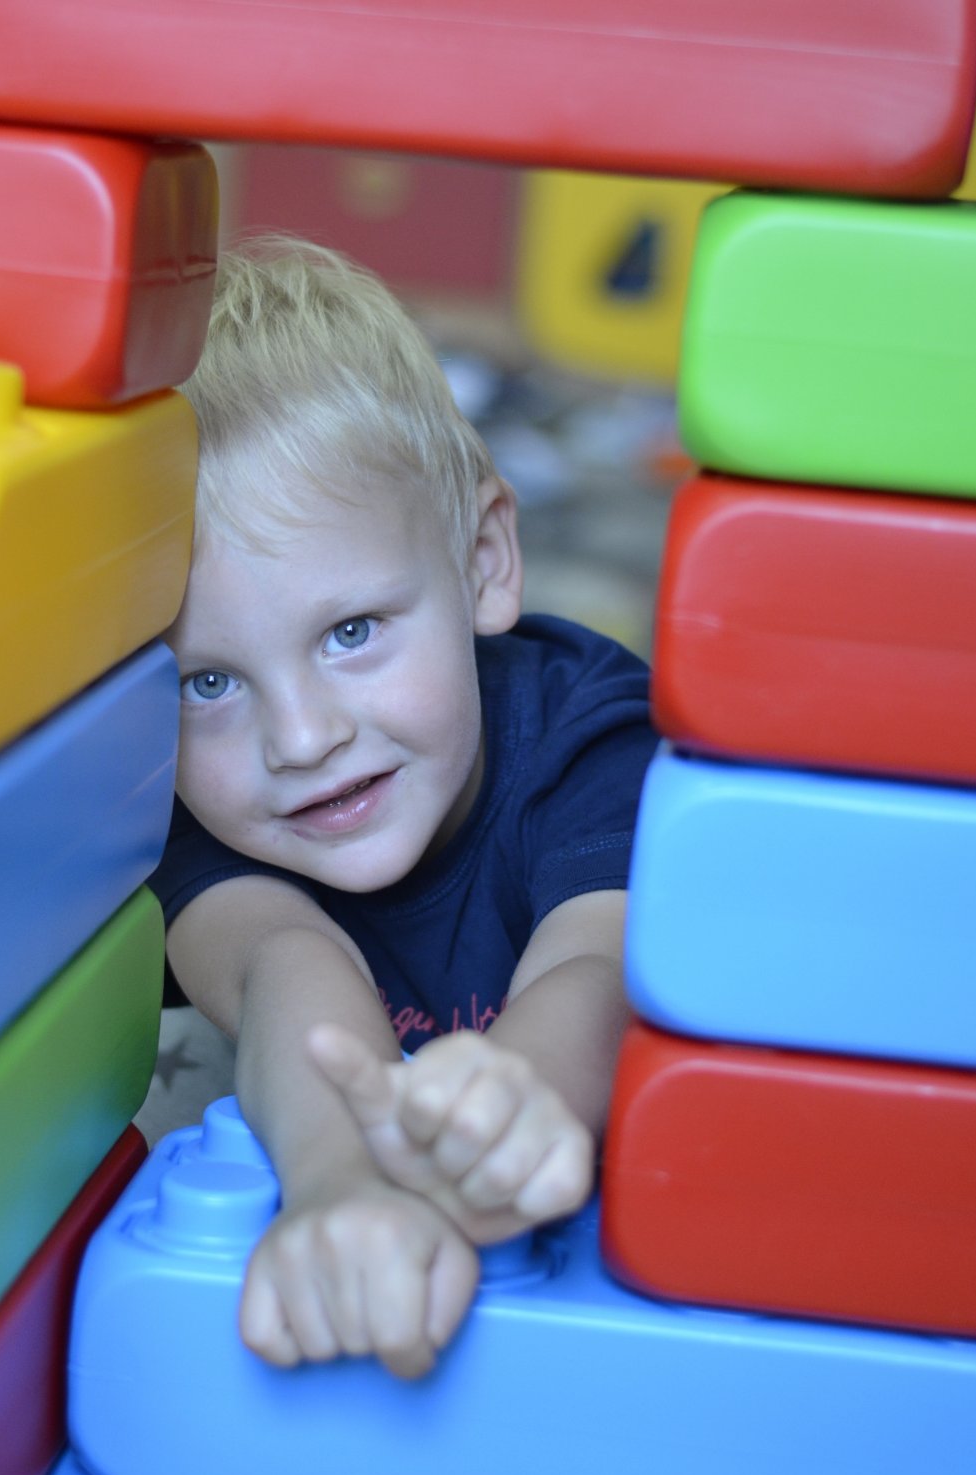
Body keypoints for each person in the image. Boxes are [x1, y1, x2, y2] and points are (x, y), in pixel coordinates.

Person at [150, 236, 659, 1381]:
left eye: (351, 632)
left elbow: (602, 960)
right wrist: (337, 1185)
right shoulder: (190, 805)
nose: (300, 739)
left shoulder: (589, 729)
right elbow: (283, 964)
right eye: (209, 681)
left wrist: (515, 1097)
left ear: (483, 562)